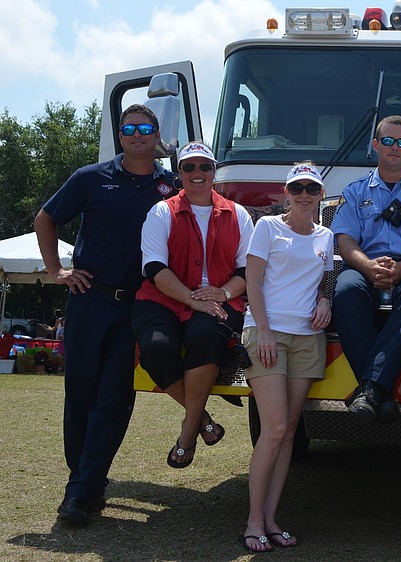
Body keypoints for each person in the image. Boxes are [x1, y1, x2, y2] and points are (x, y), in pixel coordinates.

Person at [34, 104, 178, 526]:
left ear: (156, 137)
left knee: (114, 399)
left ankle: (80, 490)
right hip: (89, 301)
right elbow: (45, 219)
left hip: (138, 306)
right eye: (129, 129)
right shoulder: (90, 178)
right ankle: (86, 481)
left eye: (145, 129)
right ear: (120, 136)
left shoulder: (170, 186)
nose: (137, 135)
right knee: (80, 395)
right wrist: (56, 270)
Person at [133, 141, 253, 470]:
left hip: (219, 298)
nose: (197, 173)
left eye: (204, 167)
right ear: (179, 174)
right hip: (164, 298)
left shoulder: (238, 214)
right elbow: (154, 270)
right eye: (189, 167)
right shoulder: (162, 211)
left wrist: (224, 295)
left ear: (215, 172)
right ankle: (203, 421)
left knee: (207, 336)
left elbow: (246, 272)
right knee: (155, 347)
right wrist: (193, 300)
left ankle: (188, 435)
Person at [239, 163, 333, 552]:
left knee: (290, 432)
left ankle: (272, 519)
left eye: (312, 188)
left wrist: (326, 299)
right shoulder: (268, 228)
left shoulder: (325, 236)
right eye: (298, 188)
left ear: (320, 195)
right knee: (274, 428)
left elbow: (327, 276)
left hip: (309, 338)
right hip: (267, 334)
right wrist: (261, 330)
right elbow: (253, 281)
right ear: (287, 192)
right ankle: (252, 522)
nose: (305, 195)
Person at [330, 115, 401, 423]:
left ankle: (370, 391)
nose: (395, 148)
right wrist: (369, 267)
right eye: (388, 141)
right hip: (365, 268)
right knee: (345, 289)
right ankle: (379, 391)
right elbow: (345, 241)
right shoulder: (355, 192)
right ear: (376, 145)